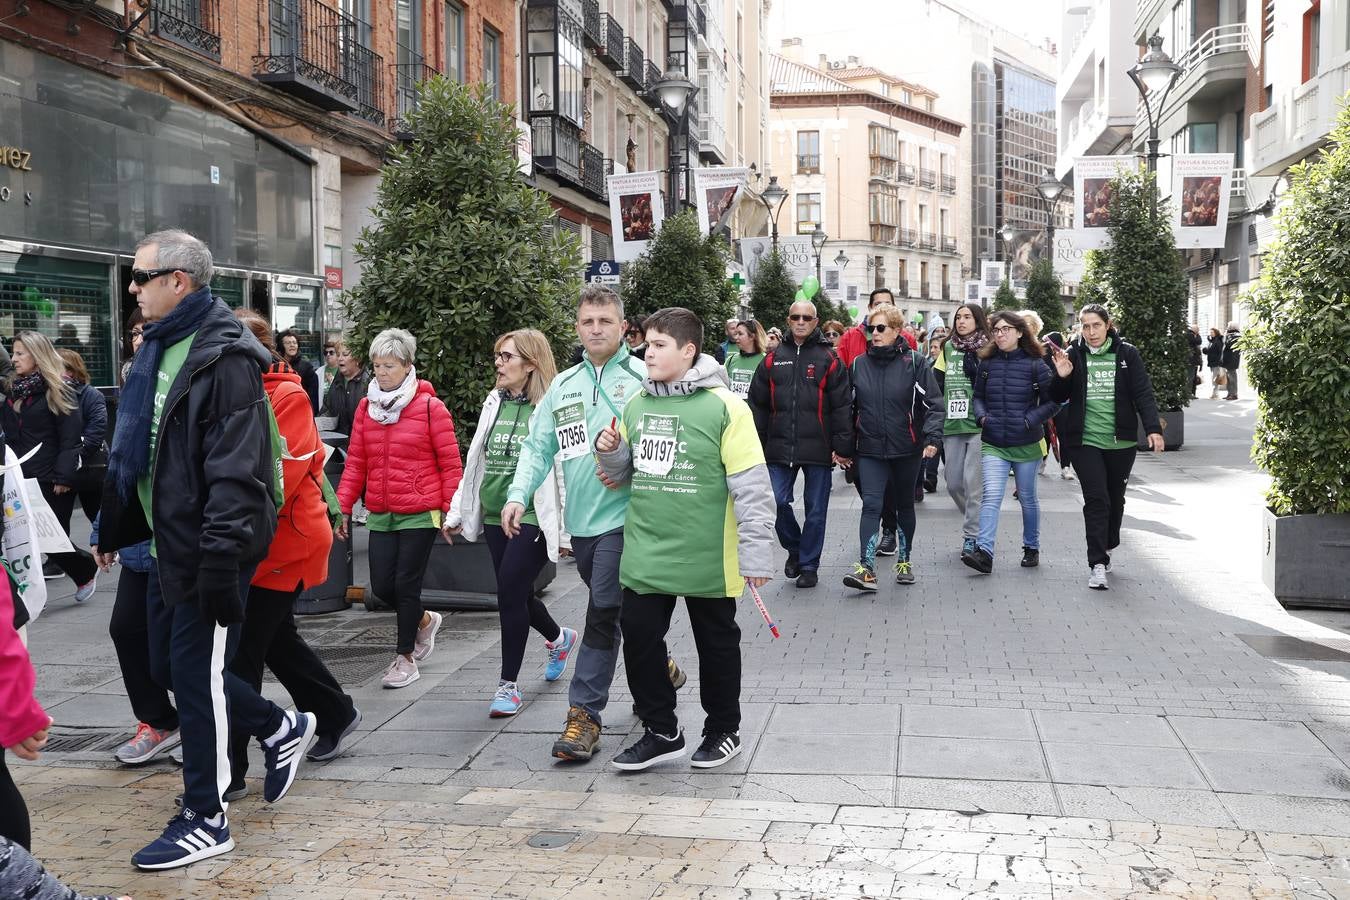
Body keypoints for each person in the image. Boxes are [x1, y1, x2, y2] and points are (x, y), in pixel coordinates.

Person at [96, 229, 317, 870]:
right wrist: (113, 530)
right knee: (168, 669)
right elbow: (138, 452)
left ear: (179, 281)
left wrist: (223, 558)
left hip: (205, 547)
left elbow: (237, 472)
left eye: (140, 277)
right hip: (167, 543)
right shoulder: (159, 347)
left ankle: (207, 815)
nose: (132, 288)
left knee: (195, 675)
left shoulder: (224, 357)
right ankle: (281, 727)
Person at [502, 285, 687, 763]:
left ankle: (583, 716)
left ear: (625, 327)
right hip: (581, 527)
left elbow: (674, 438)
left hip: (633, 520)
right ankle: (654, 662)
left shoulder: (645, 377)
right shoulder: (563, 386)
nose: (596, 329)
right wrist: (519, 494)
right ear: (577, 328)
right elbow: (537, 447)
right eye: (588, 321)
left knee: (603, 608)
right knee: (619, 608)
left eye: (605, 321)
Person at [595, 307, 775, 771]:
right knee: (637, 635)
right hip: (647, 548)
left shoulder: (726, 407)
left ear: (688, 351)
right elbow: (623, 474)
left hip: (708, 553)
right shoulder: (636, 403)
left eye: (658, 346)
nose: (646, 353)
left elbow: (752, 486)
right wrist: (611, 454)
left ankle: (722, 730)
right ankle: (661, 730)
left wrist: (756, 553)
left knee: (715, 643)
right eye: (646, 344)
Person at [228, 310, 362, 789]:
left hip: (287, 542)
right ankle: (335, 711)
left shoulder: (286, 394)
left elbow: (279, 473)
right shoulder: (235, 391)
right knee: (274, 640)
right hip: (261, 543)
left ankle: (231, 769)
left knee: (243, 651)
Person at [447, 329, 575, 718]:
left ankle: (508, 686)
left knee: (508, 594)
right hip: (492, 513)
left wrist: (567, 528)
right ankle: (558, 637)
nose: (498, 364)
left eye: (506, 357)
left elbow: (565, 467)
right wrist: (457, 511)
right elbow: (476, 462)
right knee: (515, 593)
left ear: (530, 364)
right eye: (498, 356)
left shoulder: (553, 406)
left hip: (532, 515)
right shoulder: (493, 402)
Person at [336, 328, 462, 689]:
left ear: (408, 366)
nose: (381, 373)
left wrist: (449, 511)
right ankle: (424, 620)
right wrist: (343, 507)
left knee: (406, 585)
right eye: (376, 366)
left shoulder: (428, 407)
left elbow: (451, 465)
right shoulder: (366, 408)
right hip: (380, 510)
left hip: (421, 510)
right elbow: (356, 462)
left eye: (389, 365)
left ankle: (404, 658)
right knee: (383, 586)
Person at [98, 320, 180, 767]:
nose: (139, 339)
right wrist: (104, 533)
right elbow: (119, 469)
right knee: (126, 629)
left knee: (173, 651)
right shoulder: (130, 385)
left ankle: (205, 722)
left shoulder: (177, 382)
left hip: (173, 541)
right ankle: (157, 719)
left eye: (147, 332)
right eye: (134, 333)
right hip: (137, 545)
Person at [1048, 303, 1164, 591]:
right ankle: (1096, 563)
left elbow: (1142, 393)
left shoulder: (1127, 354)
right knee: (1097, 499)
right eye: (1085, 326)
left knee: (1116, 499)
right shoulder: (1074, 354)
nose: (1091, 332)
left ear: (1107, 325)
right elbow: (1057, 396)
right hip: (1085, 441)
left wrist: (1152, 429)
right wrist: (1061, 376)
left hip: (1121, 441)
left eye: (1096, 325)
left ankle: (1110, 542)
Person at [747, 300, 853, 589]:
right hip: (778, 448)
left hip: (818, 447)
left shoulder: (829, 359)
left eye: (807, 317)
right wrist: (756, 444)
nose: (801, 321)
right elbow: (756, 405)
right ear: (788, 320)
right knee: (776, 502)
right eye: (796, 317)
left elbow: (843, 405)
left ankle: (808, 565)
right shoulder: (771, 359)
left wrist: (842, 447)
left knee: (816, 510)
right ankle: (795, 548)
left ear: (816, 322)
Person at [842, 303, 942, 591]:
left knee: (903, 506)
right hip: (870, 448)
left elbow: (934, 405)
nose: (874, 333)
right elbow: (847, 409)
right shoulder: (859, 364)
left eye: (881, 328)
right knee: (871, 505)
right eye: (871, 328)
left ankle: (905, 562)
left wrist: (932, 438)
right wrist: (844, 446)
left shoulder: (915, 362)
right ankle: (866, 569)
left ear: (897, 330)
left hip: (906, 448)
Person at [961, 310, 1064, 575]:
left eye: (1006, 329)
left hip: (1026, 442)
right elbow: (978, 396)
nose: (1001, 334)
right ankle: (984, 552)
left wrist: (1031, 420)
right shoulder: (987, 363)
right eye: (996, 330)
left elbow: (1056, 400)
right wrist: (982, 417)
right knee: (992, 496)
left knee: (1027, 498)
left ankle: (1031, 546)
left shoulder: (1035, 364)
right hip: (994, 440)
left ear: (1020, 332)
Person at [1, 331, 99, 602]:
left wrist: (64, 477)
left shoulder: (59, 389)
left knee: (50, 538)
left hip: (51, 477)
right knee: (24, 538)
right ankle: (27, 597)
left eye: (21, 353)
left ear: (37, 355)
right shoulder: (13, 389)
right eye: (13, 352)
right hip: (19, 476)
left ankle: (85, 570)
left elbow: (70, 440)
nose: (14, 358)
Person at [934, 303, 988, 556]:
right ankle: (979, 521)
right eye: (958, 317)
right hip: (951, 424)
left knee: (973, 485)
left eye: (967, 317)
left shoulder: (988, 347)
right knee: (953, 483)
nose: (961, 321)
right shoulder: (947, 346)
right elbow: (937, 382)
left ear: (978, 320)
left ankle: (972, 536)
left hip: (977, 424)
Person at [56, 350, 108, 523]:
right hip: (60, 470)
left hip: (88, 469)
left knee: (99, 522)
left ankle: (108, 551)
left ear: (71, 371)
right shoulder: (50, 394)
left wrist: (71, 458)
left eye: (56, 367)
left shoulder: (92, 395)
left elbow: (95, 434)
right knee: (57, 529)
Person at [837, 288, 916, 364]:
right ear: (870, 307)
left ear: (894, 307)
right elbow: (841, 372)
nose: (882, 307)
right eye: (877, 304)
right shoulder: (849, 337)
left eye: (887, 304)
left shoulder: (908, 339)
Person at [318, 340, 369, 436]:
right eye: (338, 354)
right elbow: (328, 408)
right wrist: (319, 423)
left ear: (357, 358)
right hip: (338, 442)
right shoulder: (337, 380)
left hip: (360, 442)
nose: (340, 358)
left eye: (345, 355)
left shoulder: (368, 382)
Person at [723, 319, 767, 399]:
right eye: (736, 334)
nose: (736, 337)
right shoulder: (730, 360)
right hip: (734, 410)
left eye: (740, 334)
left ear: (752, 336)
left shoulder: (766, 361)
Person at [278, 329, 319, 413]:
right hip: (281, 410)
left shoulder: (307, 367)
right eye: (288, 343)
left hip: (301, 410)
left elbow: (313, 397)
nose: (292, 345)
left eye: (294, 342)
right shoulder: (276, 366)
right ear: (281, 346)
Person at [1221, 321, 1242, 400]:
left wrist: (1226, 336)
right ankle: (1229, 393)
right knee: (1229, 378)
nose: (1227, 327)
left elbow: (1229, 344)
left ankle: (1234, 394)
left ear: (1232, 327)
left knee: (1232, 378)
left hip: (1232, 360)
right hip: (1228, 359)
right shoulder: (1230, 335)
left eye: (1228, 326)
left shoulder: (1236, 335)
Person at [1204, 327, 1226, 400]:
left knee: (1215, 378)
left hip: (1216, 362)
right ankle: (1214, 394)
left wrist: (1220, 361)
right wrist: (1205, 350)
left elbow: (1220, 352)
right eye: (1210, 332)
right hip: (1211, 362)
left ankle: (1215, 394)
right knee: (1214, 378)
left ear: (1216, 333)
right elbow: (1211, 351)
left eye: (1212, 332)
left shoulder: (1218, 341)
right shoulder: (1212, 341)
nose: (1211, 334)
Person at [1188, 325, 1203, 398]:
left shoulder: (1195, 335)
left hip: (1195, 361)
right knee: (1190, 377)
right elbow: (1198, 341)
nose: (1198, 331)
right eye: (1197, 329)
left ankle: (1192, 393)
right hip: (1191, 360)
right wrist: (1197, 336)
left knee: (1193, 378)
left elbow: (1199, 342)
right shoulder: (1190, 335)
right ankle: (1188, 393)